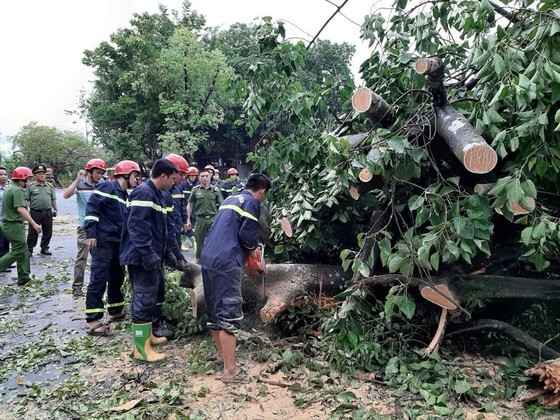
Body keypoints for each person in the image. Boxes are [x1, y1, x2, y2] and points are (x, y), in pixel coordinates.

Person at [201, 173, 271, 383]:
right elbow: (247, 236)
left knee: (214, 312)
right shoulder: (251, 202)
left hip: (208, 256)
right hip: (226, 260)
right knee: (229, 313)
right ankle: (231, 371)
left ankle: (223, 357)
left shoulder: (230, 199)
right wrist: (255, 256)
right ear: (262, 191)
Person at [120, 159, 187, 362]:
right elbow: (138, 226)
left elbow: (163, 229)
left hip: (152, 255)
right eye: (172, 179)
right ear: (163, 176)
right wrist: (148, 253)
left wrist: (169, 253)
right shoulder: (144, 192)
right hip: (141, 258)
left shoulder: (157, 195)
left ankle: (149, 337)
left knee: (152, 296)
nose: (174, 183)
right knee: (143, 299)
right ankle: (140, 349)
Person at [83, 160, 141, 335]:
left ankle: (115, 310)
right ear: (126, 174)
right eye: (135, 175)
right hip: (102, 241)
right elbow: (92, 208)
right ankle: (92, 319)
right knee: (99, 277)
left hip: (117, 242)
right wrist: (91, 233)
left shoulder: (124, 195)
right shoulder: (108, 187)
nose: (137, 179)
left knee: (117, 276)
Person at [62, 159, 106, 297]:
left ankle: (99, 285)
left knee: (100, 258)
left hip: (100, 227)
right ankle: (77, 287)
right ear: (90, 172)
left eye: (101, 173)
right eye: (97, 172)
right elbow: (66, 195)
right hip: (84, 227)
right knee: (82, 257)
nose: (99, 175)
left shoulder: (103, 184)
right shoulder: (80, 184)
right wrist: (77, 179)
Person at [0, 167, 42, 285]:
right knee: (18, 251)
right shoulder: (17, 190)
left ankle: (24, 277)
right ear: (22, 179)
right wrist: (34, 224)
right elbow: (21, 209)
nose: (28, 183)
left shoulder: (10, 189)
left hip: (10, 224)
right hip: (13, 225)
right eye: (27, 179)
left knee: (23, 250)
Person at [186, 169, 223, 263]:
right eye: (202, 176)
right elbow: (190, 204)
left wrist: (221, 219)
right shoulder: (195, 190)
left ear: (210, 177)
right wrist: (188, 219)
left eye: (206, 176)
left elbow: (221, 204)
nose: (205, 178)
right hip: (200, 219)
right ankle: (199, 261)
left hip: (213, 218)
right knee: (199, 241)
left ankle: (213, 260)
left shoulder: (215, 190)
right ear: (199, 178)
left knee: (215, 240)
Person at [26, 164, 57, 256]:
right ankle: (30, 249)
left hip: (47, 212)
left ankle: (44, 248)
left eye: (43, 173)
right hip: (35, 212)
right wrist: (26, 209)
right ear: (35, 175)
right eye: (39, 173)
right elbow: (26, 200)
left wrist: (55, 209)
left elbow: (53, 199)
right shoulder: (30, 187)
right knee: (33, 231)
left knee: (48, 231)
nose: (42, 175)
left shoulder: (50, 186)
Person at [165, 154, 189, 249]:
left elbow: (183, 206)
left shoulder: (179, 188)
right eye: (181, 174)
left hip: (177, 226)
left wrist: (185, 220)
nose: (183, 178)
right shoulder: (160, 191)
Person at [181, 166, 199, 250]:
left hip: (193, 210)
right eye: (192, 176)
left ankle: (181, 244)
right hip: (184, 209)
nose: (193, 177)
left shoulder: (196, 185)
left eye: (195, 176)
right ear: (188, 176)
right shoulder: (183, 185)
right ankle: (194, 243)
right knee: (187, 227)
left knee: (187, 227)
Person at [0, 166, 11, 259]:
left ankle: (6, 260)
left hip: (7, 219)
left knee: (6, 241)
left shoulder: (7, 189)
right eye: (1, 175)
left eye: (5, 174)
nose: (3, 176)